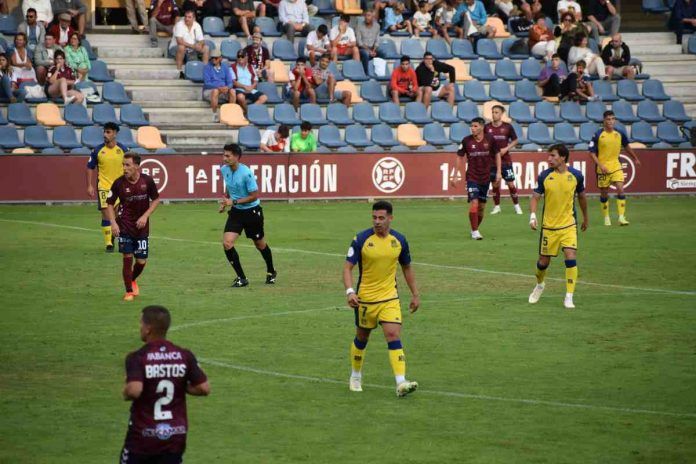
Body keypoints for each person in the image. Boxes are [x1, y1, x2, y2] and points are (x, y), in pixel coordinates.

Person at [343, 200, 420, 397]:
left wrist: (415, 294)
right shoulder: (361, 239)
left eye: (381, 218)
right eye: (374, 218)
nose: (377, 222)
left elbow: (407, 267)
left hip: (389, 298)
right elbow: (347, 268)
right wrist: (350, 291)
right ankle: (355, 375)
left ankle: (401, 382)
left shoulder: (399, 240)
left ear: (390, 218)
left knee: (393, 335)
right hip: (366, 301)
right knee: (362, 338)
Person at [119, 305, 210, 463]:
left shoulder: (138, 357)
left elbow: (134, 390)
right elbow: (204, 388)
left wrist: (125, 391)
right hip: (175, 435)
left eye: (141, 323)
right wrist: (181, 385)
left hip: (143, 436)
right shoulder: (184, 355)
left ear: (148, 329)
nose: (139, 327)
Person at [528, 144, 588, 309]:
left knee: (570, 257)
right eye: (549, 156)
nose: (549, 159)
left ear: (563, 157)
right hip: (549, 228)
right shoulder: (545, 176)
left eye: (553, 156)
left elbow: (582, 197)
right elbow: (535, 198)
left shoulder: (576, 176)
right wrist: (532, 216)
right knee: (542, 263)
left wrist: (585, 218)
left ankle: (569, 296)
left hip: (569, 225)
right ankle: (540, 285)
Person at [219, 143, 277, 287]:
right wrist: (225, 201)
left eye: (228, 156)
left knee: (259, 244)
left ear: (237, 157)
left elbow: (254, 196)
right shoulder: (224, 170)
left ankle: (271, 271)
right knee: (227, 243)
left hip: (252, 212)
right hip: (236, 212)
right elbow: (228, 185)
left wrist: (234, 201)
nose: (224, 158)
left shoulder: (246, 173)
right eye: (224, 155)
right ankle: (241, 278)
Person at [106, 154, 161, 301]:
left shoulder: (147, 180)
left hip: (142, 227)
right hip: (125, 225)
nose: (124, 168)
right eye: (123, 165)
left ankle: (132, 279)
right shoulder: (118, 183)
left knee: (141, 261)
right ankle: (129, 291)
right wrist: (113, 222)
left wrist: (145, 216)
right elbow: (109, 203)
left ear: (137, 166)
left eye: (127, 165)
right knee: (127, 257)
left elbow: (156, 199)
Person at [450, 117, 500, 240]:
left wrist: (498, 172)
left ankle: (474, 228)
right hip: (472, 177)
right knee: (474, 203)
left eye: (475, 126)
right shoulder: (466, 141)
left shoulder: (490, 139)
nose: (472, 128)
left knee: (482, 208)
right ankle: (475, 231)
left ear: (482, 127)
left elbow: (498, 154)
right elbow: (459, 157)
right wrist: (455, 175)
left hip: (485, 178)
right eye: (471, 126)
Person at [588, 110, 641, 227]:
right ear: (604, 121)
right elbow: (591, 153)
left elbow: (627, 146)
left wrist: (635, 158)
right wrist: (600, 165)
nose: (611, 121)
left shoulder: (619, 133)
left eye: (612, 119)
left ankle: (621, 217)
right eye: (608, 119)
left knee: (621, 189)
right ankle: (606, 217)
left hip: (616, 165)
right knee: (604, 193)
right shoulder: (598, 135)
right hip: (602, 167)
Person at [86, 122, 128, 252]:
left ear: (115, 134)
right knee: (106, 214)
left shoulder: (123, 150)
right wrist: (89, 185)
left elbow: (130, 166)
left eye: (108, 132)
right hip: (104, 187)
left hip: (120, 187)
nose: (105, 134)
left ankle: (117, 238)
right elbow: (90, 167)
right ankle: (109, 243)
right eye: (104, 132)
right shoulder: (98, 150)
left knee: (117, 216)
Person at [485, 105, 521, 215]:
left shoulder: (508, 127)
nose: (494, 114)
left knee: (510, 184)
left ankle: (516, 206)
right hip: (492, 161)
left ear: (501, 114)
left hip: (506, 161)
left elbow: (515, 140)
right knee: (495, 184)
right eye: (493, 112)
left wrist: (506, 148)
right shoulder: (487, 127)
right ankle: (497, 206)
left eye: (496, 112)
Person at [170, 9, 210, 80]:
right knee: (181, 47)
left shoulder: (197, 25)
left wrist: (200, 45)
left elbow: (202, 40)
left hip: (191, 48)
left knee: (206, 48)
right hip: (176, 48)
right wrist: (193, 46)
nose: (186, 19)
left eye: (189, 17)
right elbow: (179, 41)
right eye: (185, 17)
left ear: (194, 18)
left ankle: (205, 72)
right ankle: (179, 72)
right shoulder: (179, 25)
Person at [203, 49, 234, 116]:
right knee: (215, 91)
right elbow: (207, 83)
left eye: (215, 58)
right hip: (210, 90)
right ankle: (214, 114)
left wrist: (227, 87)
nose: (213, 59)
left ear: (220, 58)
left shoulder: (225, 67)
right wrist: (218, 87)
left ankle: (231, 114)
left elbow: (230, 82)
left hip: (223, 90)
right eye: (212, 58)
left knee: (232, 91)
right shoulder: (207, 67)